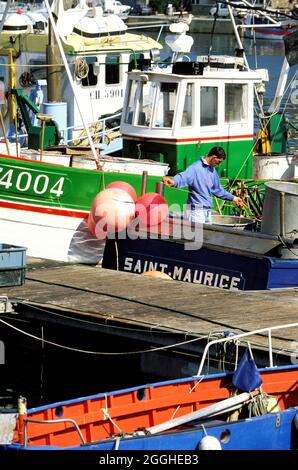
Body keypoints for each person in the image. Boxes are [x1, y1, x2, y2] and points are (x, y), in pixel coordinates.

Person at [162, 146, 244, 224]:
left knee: (206, 237)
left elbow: (218, 190)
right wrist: (173, 181)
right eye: (219, 161)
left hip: (207, 211)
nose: (219, 164)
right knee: (196, 238)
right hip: (195, 211)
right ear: (214, 157)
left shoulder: (213, 171)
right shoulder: (195, 168)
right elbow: (183, 176)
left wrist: (234, 198)